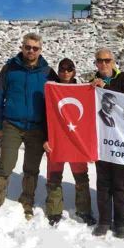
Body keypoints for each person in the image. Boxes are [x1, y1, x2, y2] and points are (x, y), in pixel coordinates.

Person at [0, 33, 57, 219]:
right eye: (27, 47)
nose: (31, 51)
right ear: (22, 47)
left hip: (36, 127)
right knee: (6, 164)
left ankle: (27, 203)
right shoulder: (10, 69)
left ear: (40, 50)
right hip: (12, 124)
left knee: (31, 168)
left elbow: (62, 94)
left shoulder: (47, 72)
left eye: (35, 48)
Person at [44, 58, 96, 227]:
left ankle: (84, 210)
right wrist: (45, 138)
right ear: (58, 71)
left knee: (81, 177)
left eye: (69, 69)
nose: (65, 72)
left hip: (76, 141)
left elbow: (90, 117)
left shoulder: (83, 90)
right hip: (56, 139)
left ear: (74, 71)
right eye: (62, 69)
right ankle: (54, 210)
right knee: (54, 176)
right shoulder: (51, 90)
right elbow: (44, 116)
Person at [91, 48, 124, 238]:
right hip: (102, 140)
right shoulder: (92, 82)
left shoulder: (122, 78)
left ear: (113, 61)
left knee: (119, 184)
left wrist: (104, 89)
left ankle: (121, 223)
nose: (104, 64)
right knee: (103, 183)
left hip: (119, 140)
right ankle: (105, 220)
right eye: (100, 60)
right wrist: (92, 88)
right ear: (96, 63)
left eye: (107, 60)